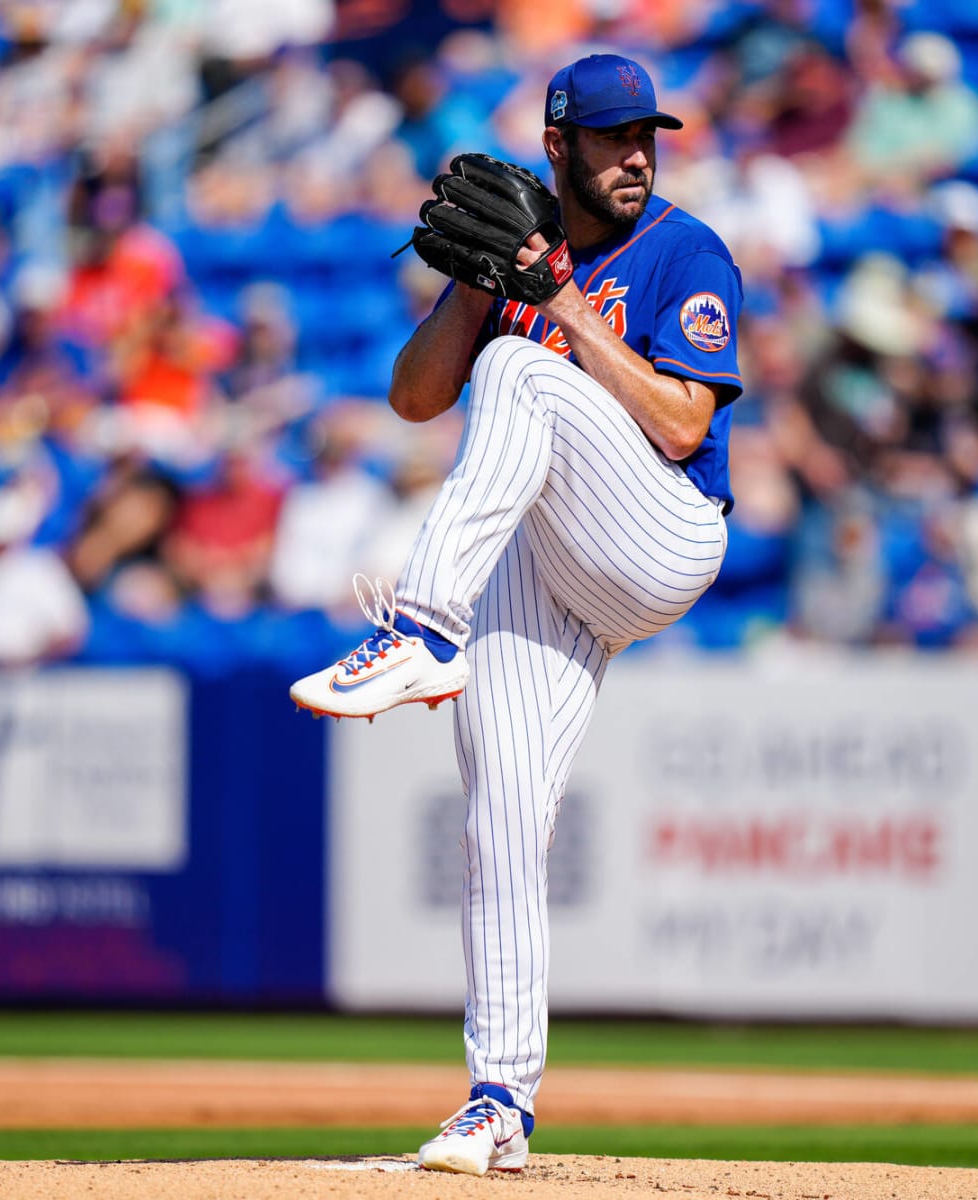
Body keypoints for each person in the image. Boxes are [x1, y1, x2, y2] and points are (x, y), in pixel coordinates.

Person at [289, 53, 741, 1175]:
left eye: (648, 136)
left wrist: (553, 305)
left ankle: (424, 625)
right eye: (610, 137)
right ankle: (499, 1104)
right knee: (500, 813)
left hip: (663, 532)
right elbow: (409, 398)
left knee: (522, 377)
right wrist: (481, 287)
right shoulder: (524, 245)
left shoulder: (689, 252)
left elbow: (681, 428)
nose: (635, 155)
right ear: (559, 146)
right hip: (555, 558)